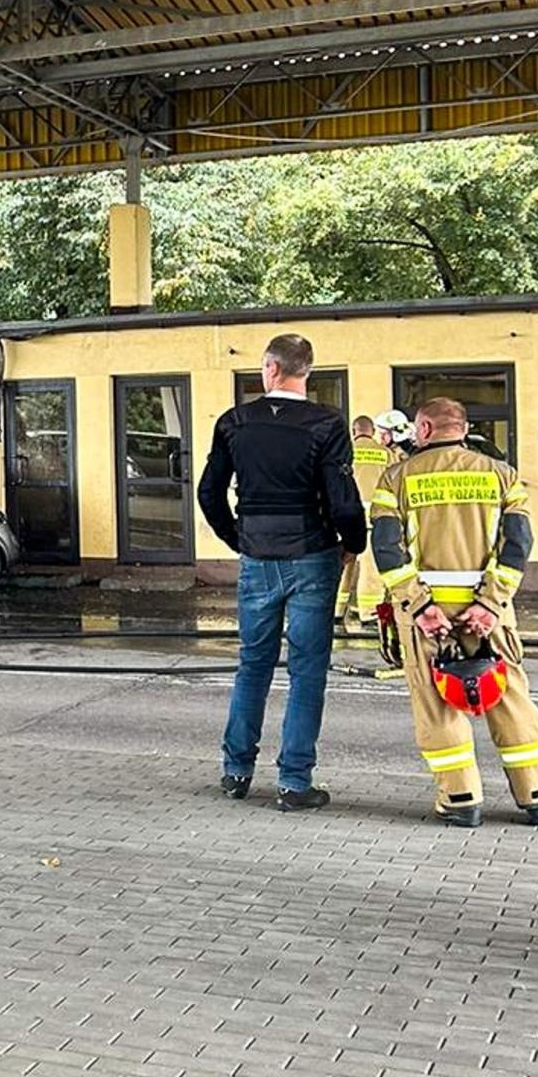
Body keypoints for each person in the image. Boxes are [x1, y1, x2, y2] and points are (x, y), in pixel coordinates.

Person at [370, 398, 538, 827]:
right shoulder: (502, 475)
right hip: (488, 613)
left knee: (437, 705)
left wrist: (421, 607)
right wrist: (491, 603)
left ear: (424, 429)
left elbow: (387, 549)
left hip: (426, 615)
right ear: (465, 429)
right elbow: (517, 545)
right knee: (509, 698)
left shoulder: (396, 478)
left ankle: (461, 800)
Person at [197, 333, 365, 811]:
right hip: (313, 556)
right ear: (306, 372)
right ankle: (294, 782)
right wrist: (353, 544)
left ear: (270, 369)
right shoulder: (327, 424)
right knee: (307, 671)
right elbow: (342, 500)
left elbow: (209, 492)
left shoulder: (234, 422)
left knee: (253, 665)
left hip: (257, 557)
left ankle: (236, 772)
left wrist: (237, 538)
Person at [337, 415, 393, 630]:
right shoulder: (385, 453)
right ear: (373, 432)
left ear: (353, 431)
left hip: (346, 517)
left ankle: (337, 610)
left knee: (344, 563)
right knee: (371, 568)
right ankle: (368, 613)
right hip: (374, 518)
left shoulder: (343, 451)